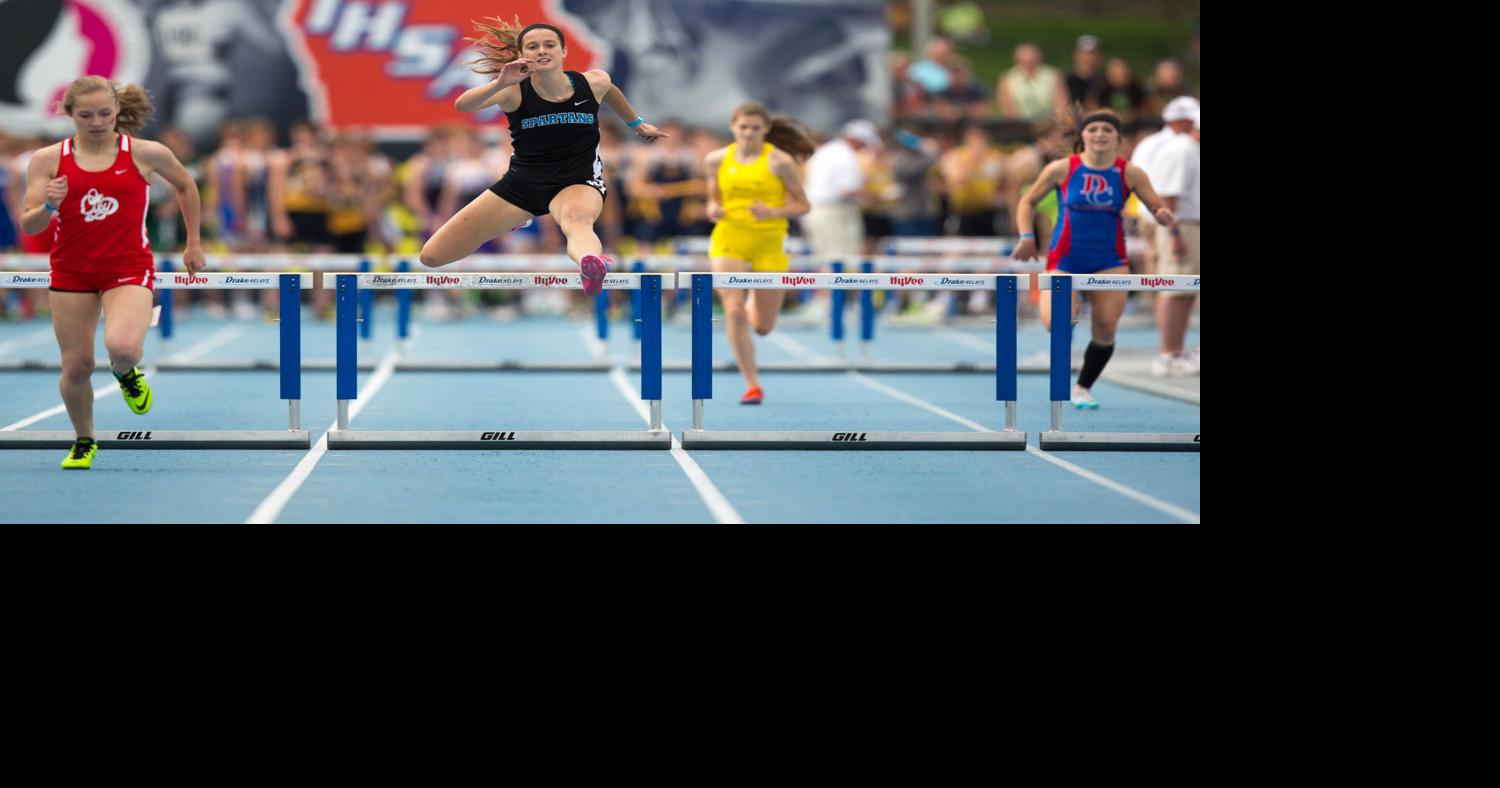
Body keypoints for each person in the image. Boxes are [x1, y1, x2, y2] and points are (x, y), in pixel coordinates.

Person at [18, 76, 205, 469]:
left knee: (122, 348)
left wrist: (193, 242)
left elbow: (186, 186)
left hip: (127, 267)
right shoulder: (49, 159)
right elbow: (30, 225)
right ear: (70, 115)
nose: (97, 121)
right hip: (72, 271)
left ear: (117, 111)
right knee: (76, 366)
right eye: (86, 115)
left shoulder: (145, 153)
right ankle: (84, 440)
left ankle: (126, 372)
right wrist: (50, 206)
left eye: (105, 113)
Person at [417, 17, 667, 296]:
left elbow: (610, 91)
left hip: (578, 182)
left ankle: (591, 264)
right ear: (523, 55)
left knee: (577, 220)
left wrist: (637, 124)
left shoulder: (592, 82)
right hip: (523, 185)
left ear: (563, 51)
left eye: (549, 45)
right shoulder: (513, 91)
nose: (542, 51)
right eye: (533, 46)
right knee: (432, 257)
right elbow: (463, 104)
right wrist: (499, 83)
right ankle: (518, 218)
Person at [1012, 107, 1175, 410]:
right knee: (1058, 322)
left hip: (1109, 260)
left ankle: (1082, 387)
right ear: (1083, 136)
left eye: (1107, 129)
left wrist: (1163, 215)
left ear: (1118, 138)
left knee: (1105, 327)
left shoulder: (1130, 173)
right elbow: (1028, 201)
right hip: (1065, 259)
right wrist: (1026, 237)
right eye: (1093, 129)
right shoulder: (1063, 168)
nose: (1099, 134)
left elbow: (1157, 207)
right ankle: (1062, 366)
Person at [703, 102, 813, 405]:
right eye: (743, 127)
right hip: (730, 237)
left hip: (770, 239)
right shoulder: (715, 159)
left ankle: (753, 297)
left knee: (763, 327)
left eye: (755, 128)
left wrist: (772, 211)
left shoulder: (779, 161)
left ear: (765, 130)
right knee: (734, 312)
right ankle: (751, 383)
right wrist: (712, 209)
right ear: (732, 127)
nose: (749, 133)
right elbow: (713, 199)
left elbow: (803, 205)